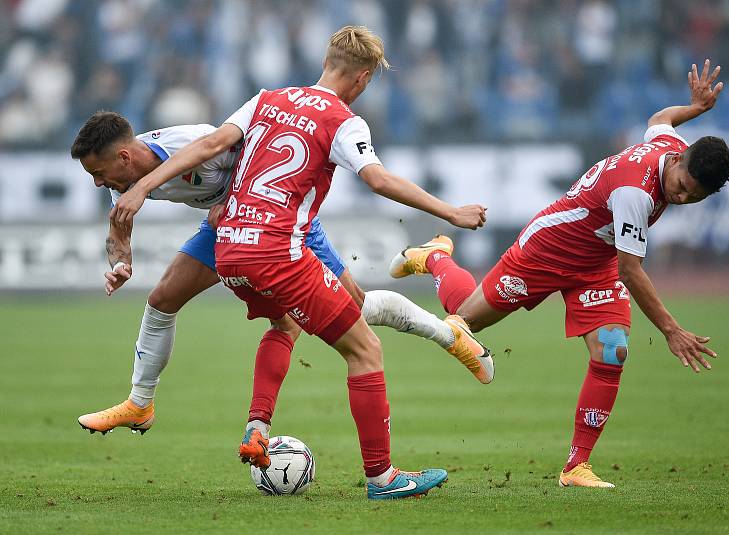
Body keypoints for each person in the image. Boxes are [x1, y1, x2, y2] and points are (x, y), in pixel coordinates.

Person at [107, 26, 490, 499]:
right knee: (364, 350)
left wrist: (141, 188)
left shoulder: (266, 98)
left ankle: (257, 428)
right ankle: (384, 478)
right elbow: (378, 179)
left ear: (327, 62)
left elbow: (210, 145)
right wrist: (451, 211)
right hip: (279, 248)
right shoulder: (344, 119)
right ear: (363, 78)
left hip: (229, 246)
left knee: (289, 323)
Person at [390, 60, 729, 488]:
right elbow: (632, 272)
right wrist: (671, 329)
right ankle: (434, 257)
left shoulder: (668, 143)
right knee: (463, 321)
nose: (680, 195)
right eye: (682, 183)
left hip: (596, 263)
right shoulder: (636, 191)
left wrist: (694, 109)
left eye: (692, 196)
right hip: (549, 248)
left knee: (612, 350)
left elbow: (660, 119)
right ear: (680, 159)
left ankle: (576, 466)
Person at [71, 112, 493, 444]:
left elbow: (259, 153)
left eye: (99, 172)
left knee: (356, 310)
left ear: (124, 157)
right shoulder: (123, 181)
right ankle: (140, 403)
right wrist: (120, 262)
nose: (98, 182)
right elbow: (118, 226)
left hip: (281, 220)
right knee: (163, 299)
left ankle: (449, 334)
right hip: (229, 232)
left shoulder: (192, 142)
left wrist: (235, 200)